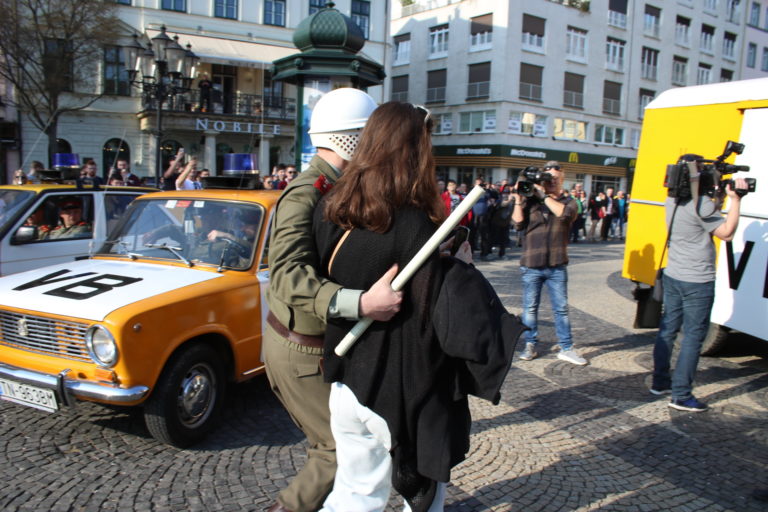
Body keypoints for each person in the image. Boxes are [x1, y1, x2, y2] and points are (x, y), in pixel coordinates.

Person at [314, 101, 523, 512]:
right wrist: (459, 268)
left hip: (346, 384)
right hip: (400, 388)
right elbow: (445, 320)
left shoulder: (332, 208)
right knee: (423, 503)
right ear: (414, 152)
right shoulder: (414, 225)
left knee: (354, 495)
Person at [264, 88, 402, 512]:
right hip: (301, 349)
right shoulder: (307, 192)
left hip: (316, 343)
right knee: (338, 450)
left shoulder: (339, 187)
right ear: (353, 139)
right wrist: (360, 304)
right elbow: (286, 275)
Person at [651, 154, 748, 412]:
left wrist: (717, 196)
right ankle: (681, 395)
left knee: (668, 330)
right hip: (697, 281)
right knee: (693, 337)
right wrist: (736, 200)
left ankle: (660, 382)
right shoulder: (702, 204)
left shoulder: (671, 200)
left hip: (673, 275)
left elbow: (702, 214)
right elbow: (726, 233)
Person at [511, 160, 587, 366]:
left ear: (562, 179)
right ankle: (530, 344)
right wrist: (518, 199)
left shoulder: (569, 202)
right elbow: (517, 224)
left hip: (556, 264)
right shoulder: (531, 201)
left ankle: (566, 348)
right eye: (548, 178)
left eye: (555, 178)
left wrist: (544, 196)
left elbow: (565, 215)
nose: (551, 181)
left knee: (561, 309)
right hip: (531, 263)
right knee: (530, 308)